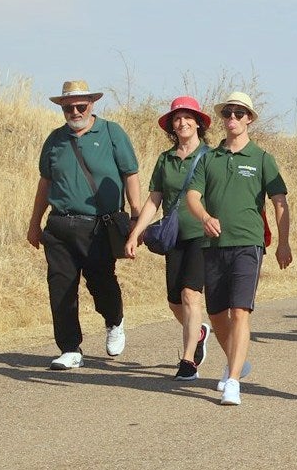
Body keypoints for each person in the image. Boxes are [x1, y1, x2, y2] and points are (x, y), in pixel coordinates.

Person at [186, 91, 293, 405]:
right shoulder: (209, 157)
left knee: (239, 311)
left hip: (248, 243)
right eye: (228, 113)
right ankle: (237, 360)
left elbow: (279, 202)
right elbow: (193, 195)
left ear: (249, 119)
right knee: (218, 314)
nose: (232, 118)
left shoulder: (262, 158)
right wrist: (204, 216)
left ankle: (233, 380)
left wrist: (284, 243)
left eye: (239, 113)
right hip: (213, 244)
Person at [27, 80, 141, 370]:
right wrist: (34, 222)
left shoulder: (112, 132)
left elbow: (130, 173)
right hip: (60, 225)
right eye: (69, 107)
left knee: (101, 282)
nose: (75, 111)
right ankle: (69, 347)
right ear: (62, 109)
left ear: (92, 105)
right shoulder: (55, 140)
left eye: (81, 106)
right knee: (60, 286)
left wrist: (137, 215)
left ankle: (114, 321)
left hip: (98, 226)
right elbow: (45, 182)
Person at [125, 96, 212, 381]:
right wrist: (136, 233)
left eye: (188, 117)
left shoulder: (212, 157)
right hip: (174, 236)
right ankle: (199, 331)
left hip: (202, 235)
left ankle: (188, 360)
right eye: (177, 118)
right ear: (171, 126)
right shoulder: (166, 159)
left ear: (198, 122)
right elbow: (154, 200)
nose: (182, 122)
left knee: (190, 294)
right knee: (174, 300)